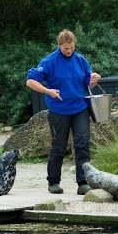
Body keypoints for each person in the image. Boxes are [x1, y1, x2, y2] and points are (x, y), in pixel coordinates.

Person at [26, 30, 101, 195]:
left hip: (80, 108)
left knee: (82, 144)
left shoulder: (80, 60)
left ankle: (83, 182)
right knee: (58, 146)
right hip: (58, 110)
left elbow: (88, 84)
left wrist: (95, 79)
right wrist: (48, 91)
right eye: (66, 48)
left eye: (72, 47)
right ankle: (53, 182)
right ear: (59, 45)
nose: (69, 51)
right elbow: (30, 81)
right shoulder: (49, 61)